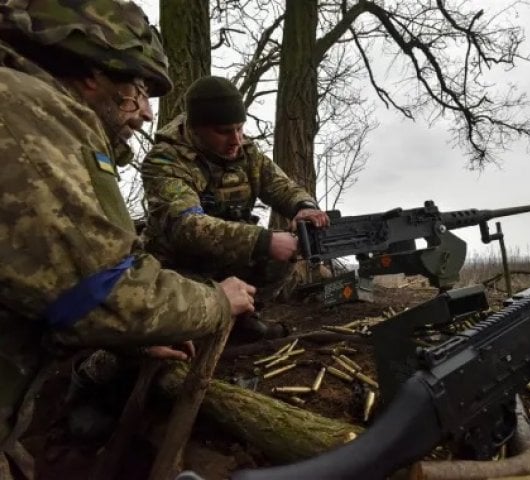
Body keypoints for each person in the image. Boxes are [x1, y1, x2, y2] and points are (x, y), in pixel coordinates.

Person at [0, 1, 255, 477]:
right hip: (163, 278)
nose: (143, 112)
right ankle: (85, 411)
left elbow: (36, 279)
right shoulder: (28, 115)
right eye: (136, 89)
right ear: (94, 73)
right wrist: (216, 303)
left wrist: (302, 206)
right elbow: (101, 295)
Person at [141, 75, 331, 305]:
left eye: (240, 129)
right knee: (267, 247)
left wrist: (304, 207)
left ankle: (246, 315)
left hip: (229, 258)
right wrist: (263, 240)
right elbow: (185, 226)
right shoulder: (164, 161)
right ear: (195, 128)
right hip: (179, 266)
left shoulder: (247, 152)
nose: (236, 140)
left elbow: (281, 186)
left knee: (280, 258)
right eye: (224, 132)